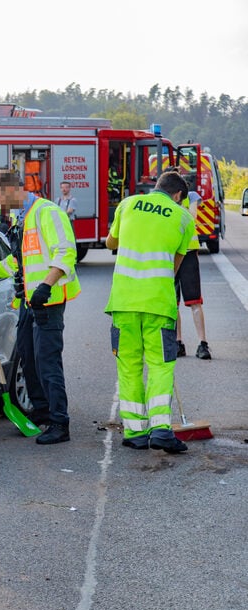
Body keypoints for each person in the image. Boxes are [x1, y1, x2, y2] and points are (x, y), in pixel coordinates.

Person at [0, 169, 80, 445]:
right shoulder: (20, 217)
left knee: (47, 360)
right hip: (28, 299)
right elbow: (20, 260)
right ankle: (42, 411)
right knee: (27, 353)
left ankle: (60, 422)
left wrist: (46, 286)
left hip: (48, 300)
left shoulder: (47, 212)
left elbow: (66, 252)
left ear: (12, 191)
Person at [104, 170, 195, 453]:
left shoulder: (127, 204)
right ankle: (161, 431)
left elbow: (111, 243)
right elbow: (175, 265)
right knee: (160, 366)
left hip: (123, 302)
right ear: (178, 195)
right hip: (157, 302)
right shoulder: (183, 218)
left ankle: (135, 432)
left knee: (129, 366)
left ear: (157, 187)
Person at [175, 173, 211, 360]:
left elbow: (192, 217)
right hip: (170, 253)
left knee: (194, 300)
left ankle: (202, 343)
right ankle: (178, 342)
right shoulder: (166, 200)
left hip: (188, 253)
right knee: (172, 303)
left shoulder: (191, 197)